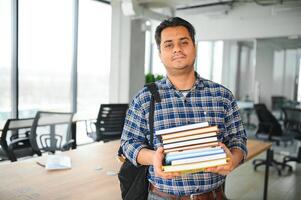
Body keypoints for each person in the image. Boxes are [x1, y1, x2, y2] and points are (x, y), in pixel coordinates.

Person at [121, 17, 247, 200]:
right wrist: (153, 158)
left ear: (194, 47)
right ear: (160, 53)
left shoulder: (222, 96)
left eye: (184, 42)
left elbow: (238, 140)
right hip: (161, 196)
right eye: (169, 45)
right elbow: (128, 144)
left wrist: (232, 160)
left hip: (213, 196)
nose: (177, 49)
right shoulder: (144, 98)